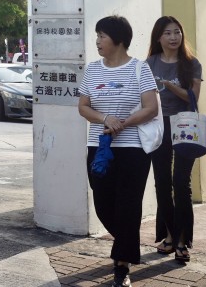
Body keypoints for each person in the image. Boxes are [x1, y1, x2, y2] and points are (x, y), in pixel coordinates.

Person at [77, 15, 159, 287]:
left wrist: (123, 123)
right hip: (99, 147)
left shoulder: (139, 69)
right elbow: (83, 107)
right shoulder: (92, 70)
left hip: (133, 149)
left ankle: (122, 267)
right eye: (97, 36)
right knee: (102, 204)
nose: (98, 41)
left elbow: (151, 108)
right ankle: (126, 244)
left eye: (102, 36)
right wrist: (105, 119)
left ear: (119, 40)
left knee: (128, 206)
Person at [145, 16, 203, 263]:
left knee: (181, 183)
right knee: (162, 183)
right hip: (158, 126)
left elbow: (193, 97)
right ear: (159, 37)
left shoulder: (191, 64)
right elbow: (142, 96)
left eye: (177, 32)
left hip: (184, 126)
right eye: (167, 33)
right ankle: (168, 235)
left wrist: (168, 85)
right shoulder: (149, 63)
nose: (173, 37)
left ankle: (182, 241)